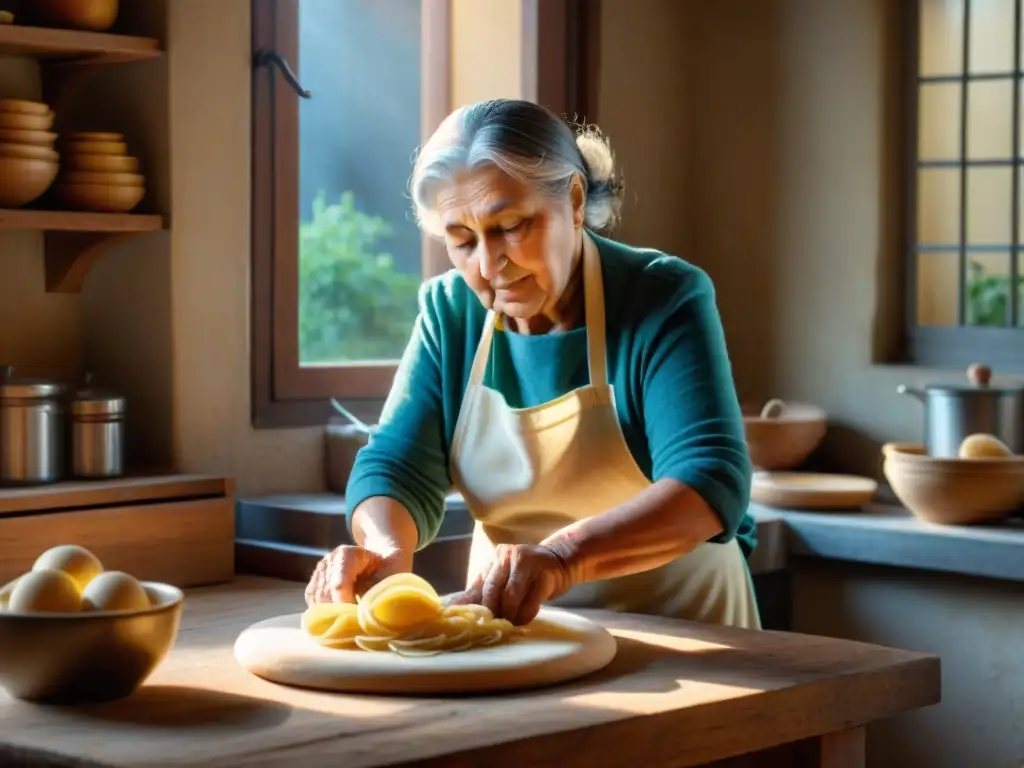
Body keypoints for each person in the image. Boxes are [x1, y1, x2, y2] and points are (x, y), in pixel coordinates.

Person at [305, 98, 760, 629]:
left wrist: (563, 559)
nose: (488, 264)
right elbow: (395, 466)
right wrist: (384, 550)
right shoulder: (450, 313)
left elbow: (709, 480)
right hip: (517, 633)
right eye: (462, 240)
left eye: (511, 227)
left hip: (690, 635)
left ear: (572, 199)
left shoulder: (662, 297)